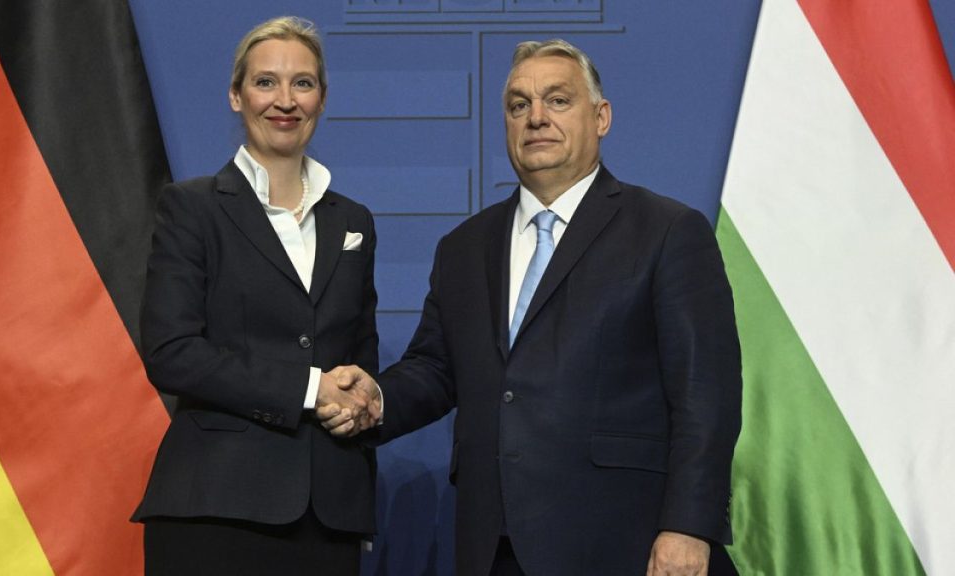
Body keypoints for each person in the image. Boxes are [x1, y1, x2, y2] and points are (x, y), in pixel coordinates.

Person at [320, 39, 742, 576]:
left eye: (558, 100)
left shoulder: (666, 231)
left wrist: (689, 527)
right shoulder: (464, 247)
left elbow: (706, 394)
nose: (536, 117)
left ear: (602, 116)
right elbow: (436, 368)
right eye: (519, 105)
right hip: (495, 545)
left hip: (626, 542)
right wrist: (377, 398)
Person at [131, 16, 381, 576]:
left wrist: (362, 398)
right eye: (266, 82)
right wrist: (312, 388)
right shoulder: (192, 207)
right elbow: (172, 352)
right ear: (235, 95)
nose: (285, 100)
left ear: (322, 98)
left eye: (303, 83)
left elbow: (360, 351)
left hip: (329, 512)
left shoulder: (354, 221)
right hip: (217, 507)